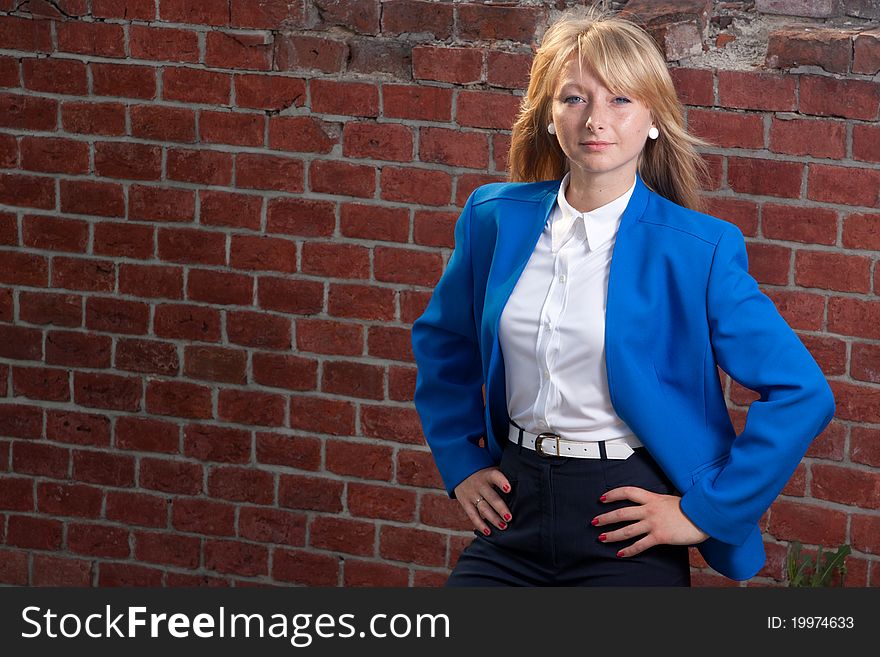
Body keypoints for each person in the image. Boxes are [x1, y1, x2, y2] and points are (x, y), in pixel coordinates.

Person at [410, 5, 835, 586]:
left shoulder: (698, 251)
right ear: (548, 116)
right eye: (574, 98)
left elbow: (802, 393)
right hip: (514, 507)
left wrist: (703, 512)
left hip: (623, 522)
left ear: (653, 118)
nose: (595, 120)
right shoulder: (494, 218)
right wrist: (460, 462)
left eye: (620, 99)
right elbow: (444, 343)